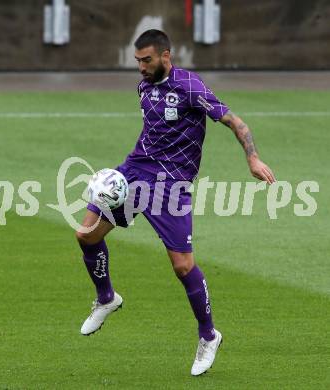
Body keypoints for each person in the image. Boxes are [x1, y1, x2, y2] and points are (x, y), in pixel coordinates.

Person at [76, 29, 276, 376]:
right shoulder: (144, 87)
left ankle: (208, 336)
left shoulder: (189, 87)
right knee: (87, 235)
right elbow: (153, 133)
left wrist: (253, 159)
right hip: (135, 171)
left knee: (183, 267)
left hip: (170, 186)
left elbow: (235, 122)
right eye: (137, 60)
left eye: (146, 60)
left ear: (165, 56)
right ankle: (107, 298)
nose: (140, 67)